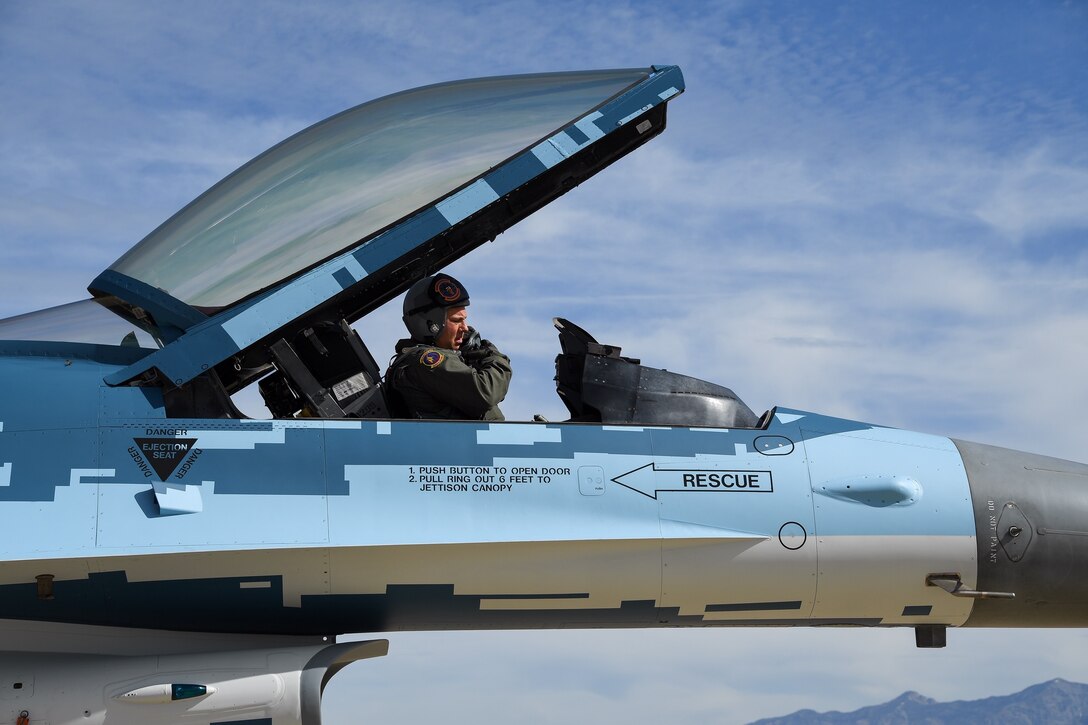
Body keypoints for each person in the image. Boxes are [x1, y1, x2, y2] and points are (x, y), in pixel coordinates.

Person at [386, 273, 511, 420]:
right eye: (456, 321)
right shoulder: (426, 361)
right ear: (431, 325)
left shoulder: (427, 363)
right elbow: (486, 393)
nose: (465, 328)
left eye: (464, 320)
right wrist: (492, 355)